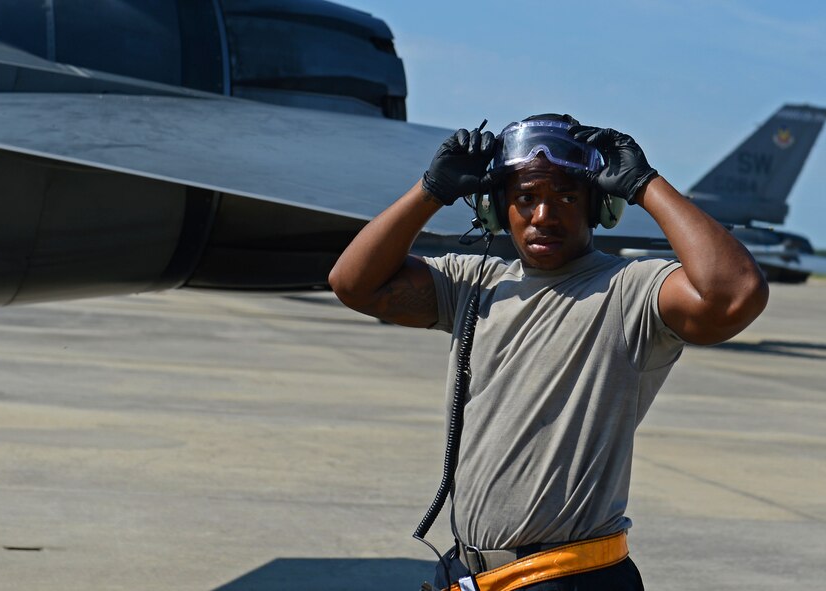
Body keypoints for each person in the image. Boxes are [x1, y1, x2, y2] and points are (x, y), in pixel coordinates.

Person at [327, 114, 768, 590]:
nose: (543, 216)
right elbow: (353, 283)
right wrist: (430, 191)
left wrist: (644, 184)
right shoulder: (475, 284)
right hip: (469, 574)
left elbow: (736, 293)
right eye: (525, 198)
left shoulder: (629, 291)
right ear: (496, 210)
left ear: (600, 207)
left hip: (569, 576)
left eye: (566, 197)